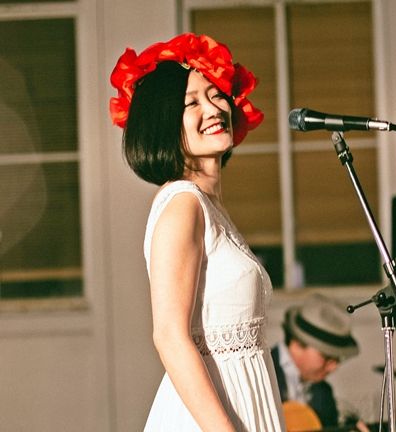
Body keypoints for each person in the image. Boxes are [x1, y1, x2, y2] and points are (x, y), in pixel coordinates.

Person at [109, 33, 285, 431]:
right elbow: (169, 336)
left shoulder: (209, 207)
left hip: (244, 398)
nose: (214, 108)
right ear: (164, 125)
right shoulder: (183, 205)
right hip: (211, 417)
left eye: (216, 95)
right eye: (192, 103)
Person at [271, 294, 361, 429]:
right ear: (297, 344)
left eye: (338, 359)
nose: (333, 367)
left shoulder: (325, 393)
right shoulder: (261, 374)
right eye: (327, 357)